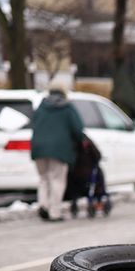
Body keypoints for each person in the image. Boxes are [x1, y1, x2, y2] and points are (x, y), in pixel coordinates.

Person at [30, 80, 83, 222]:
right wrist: (80, 142)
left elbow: (34, 124)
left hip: (39, 148)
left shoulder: (41, 106)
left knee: (43, 179)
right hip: (60, 149)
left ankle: (43, 205)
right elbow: (78, 129)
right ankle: (55, 213)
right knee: (57, 179)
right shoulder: (67, 108)